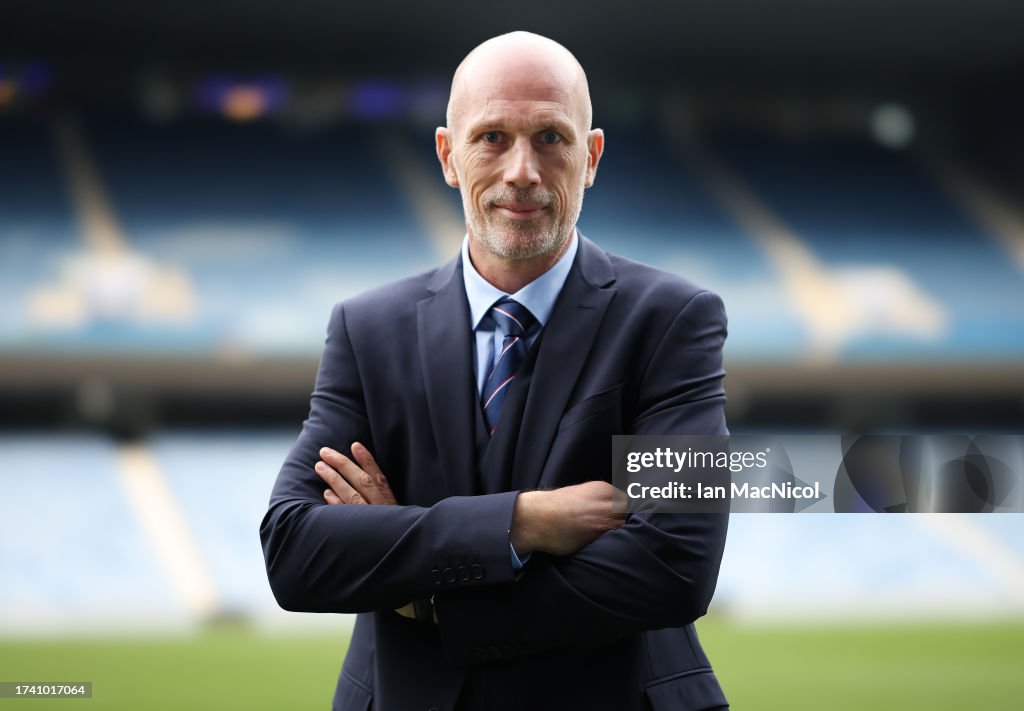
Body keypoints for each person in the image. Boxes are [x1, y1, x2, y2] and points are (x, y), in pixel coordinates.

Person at [261, 31, 730, 711]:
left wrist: (427, 600)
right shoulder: (366, 329)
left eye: (550, 137)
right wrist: (521, 521)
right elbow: (295, 550)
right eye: (491, 138)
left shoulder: (675, 319)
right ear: (448, 156)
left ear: (590, 156)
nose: (521, 171)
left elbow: (675, 563)